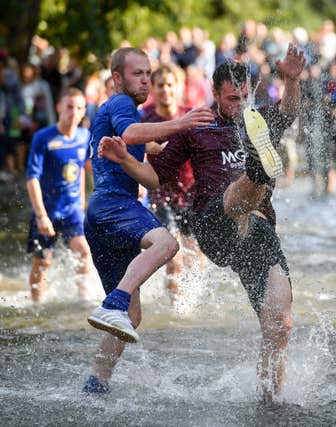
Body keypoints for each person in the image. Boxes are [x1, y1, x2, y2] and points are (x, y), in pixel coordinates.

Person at [98, 44, 305, 402]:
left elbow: (290, 108)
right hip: (213, 223)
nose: (239, 105)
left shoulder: (262, 119)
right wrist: (124, 160)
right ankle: (257, 170)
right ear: (214, 94)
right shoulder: (196, 127)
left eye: (244, 97)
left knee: (279, 324)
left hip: (258, 233)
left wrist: (290, 78)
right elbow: (153, 178)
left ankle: (269, 402)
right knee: (236, 197)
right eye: (231, 99)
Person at [82, 47, 213, 394]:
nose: (145, 80)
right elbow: (130, 133)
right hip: (114, 205)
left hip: (98, 217)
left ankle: (96, 383)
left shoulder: (121, 114)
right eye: (137, 73)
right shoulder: (122, 104)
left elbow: (152, 181)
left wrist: (151, 149)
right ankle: (113, 302)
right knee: (167, 244)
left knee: (131, 318)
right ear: (117, 78)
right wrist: (182, 122)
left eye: (147, 73)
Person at [142, 65, 204, 302]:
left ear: (178, 87)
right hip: (161, 194)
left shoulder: (191, 115)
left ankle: (194, 302)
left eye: (170, 84)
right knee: (173, 253)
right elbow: (132, 148)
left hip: (192, 192)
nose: (166, 90)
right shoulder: (145, 117)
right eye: (160, 85)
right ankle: (175, 307)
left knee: (196, 254)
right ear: (153, 89)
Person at [25, 87, 92, 303]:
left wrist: (82, 203)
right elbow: (32, 178)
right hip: (47, 209)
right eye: (69, 106)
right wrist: (41, 215)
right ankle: (36, 305)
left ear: (84, 112)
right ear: (59, 108)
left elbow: (80, 168)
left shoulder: (84, 136)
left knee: (84, 252)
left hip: (72, 209)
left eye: (79, 108)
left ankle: (82, 300)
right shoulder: (43, 138)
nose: (74, 112)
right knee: (43, 261)